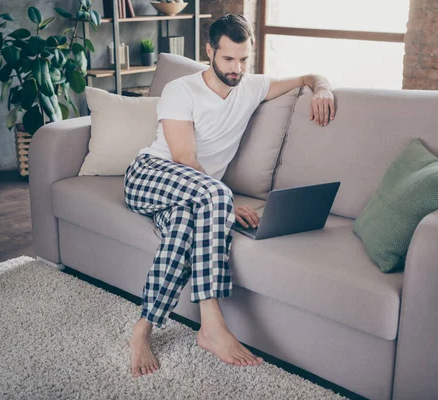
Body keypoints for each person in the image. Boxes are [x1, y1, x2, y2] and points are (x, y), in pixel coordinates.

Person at [124, 13, 336, 378]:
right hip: (149, 176)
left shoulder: (251, 86)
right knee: (213, 197)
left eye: (243, 59)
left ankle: (142, 328)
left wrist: (323, 88)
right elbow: (184, 159)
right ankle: (212, 323)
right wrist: (226, 201)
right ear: (209, 51)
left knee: (184, 228)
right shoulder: (182, 90)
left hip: (192, 198)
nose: (236, 68)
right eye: (228, 59)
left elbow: (308, 76)